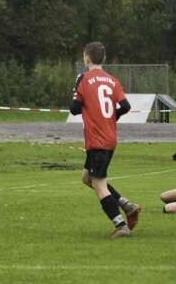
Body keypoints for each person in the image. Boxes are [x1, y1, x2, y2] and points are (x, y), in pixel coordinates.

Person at [70, 41, 141, 238]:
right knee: (87, 178)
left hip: (96, 140)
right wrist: (112, 117)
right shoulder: (112, 80)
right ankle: (128, 206)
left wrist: (77, 93)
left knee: (99, 185)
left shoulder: (83, 78)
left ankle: (121, 226)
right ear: (104, 59)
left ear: (86, 58)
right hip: (109, 137)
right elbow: (125, 106)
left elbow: (74, 109)